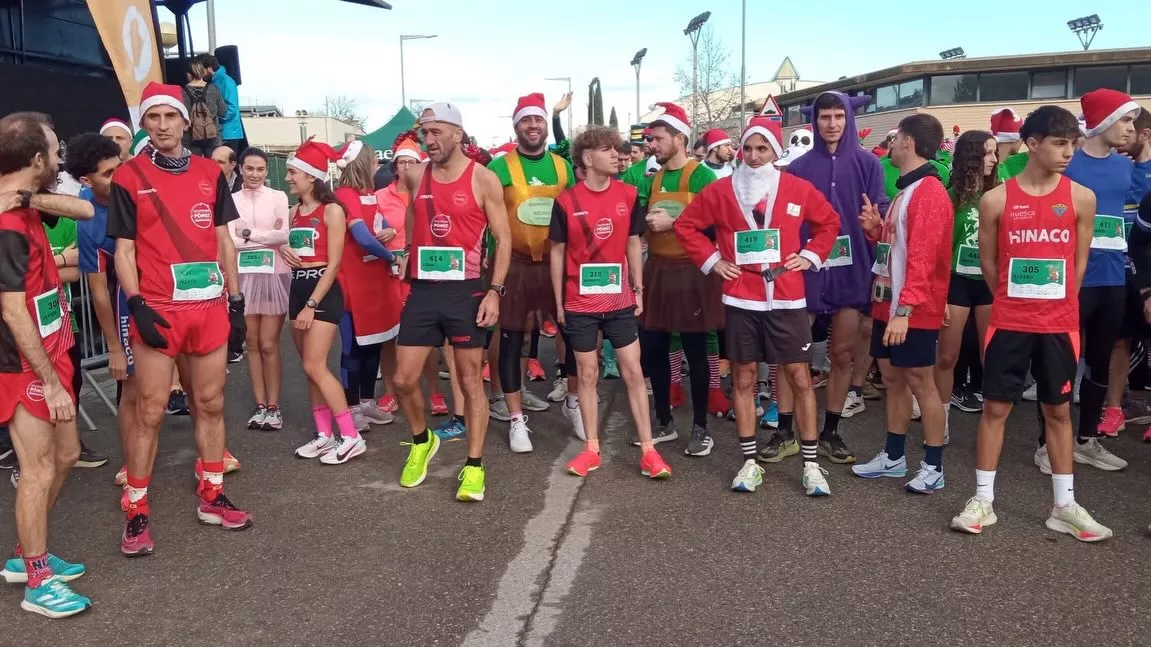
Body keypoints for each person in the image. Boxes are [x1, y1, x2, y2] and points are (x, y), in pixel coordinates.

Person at [950, 105, 1112, 541]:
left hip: (1059, 323)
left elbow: (1077, 267)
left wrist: (1053, 302)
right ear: (1032, 143)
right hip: (1009, 320)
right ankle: (983, 499)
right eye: (1060, 144)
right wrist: (1015, 298)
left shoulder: (1081, 198)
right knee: (996, 407)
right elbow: (988, 265)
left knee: (1058, 411)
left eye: (1073, 144)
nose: (1068, 153)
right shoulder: (996, 199)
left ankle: (1064, 505)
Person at [107, 82, 252, 556]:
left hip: (208, 308)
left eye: (171, 117)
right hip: (159, 309)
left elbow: (224, 241)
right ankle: (137, 507)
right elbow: (123, 252)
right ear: (144, 123)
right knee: (149, 410)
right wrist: (136, 303)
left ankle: (211, 493)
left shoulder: (212, 171)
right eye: (154, 118)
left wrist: (236, 301)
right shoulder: (129, 177)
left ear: (186, 121)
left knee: (209, 403)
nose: (163, 126)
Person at [675, 116, 840, 495]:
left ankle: (812, 465)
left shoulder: (797, 188)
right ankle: (749, 462)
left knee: (799, 376)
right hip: (741, 295)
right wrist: (714, 261)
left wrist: (811, 255)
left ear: (775, 151)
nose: (753, 156)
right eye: (747, 148)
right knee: (745, 377)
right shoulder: (721, 190)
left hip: (787, 295)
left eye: (761, 148)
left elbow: (828, 222)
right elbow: (687, 226)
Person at [0, 111, 94, 616]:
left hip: (51, 350)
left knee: (65, 457)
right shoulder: (5, 226)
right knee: (35, 469)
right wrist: (49, 383)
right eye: (55, 152)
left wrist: (27, 196)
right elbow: (13, 311)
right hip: (22, 365)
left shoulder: (25, 204)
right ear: (37, 159)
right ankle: (37, 580)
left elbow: (83, 209)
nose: (62, 159)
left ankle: (24, 557)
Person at [392, 102, 510, 502]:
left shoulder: (483, 179)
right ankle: (422, 439)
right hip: (425, 288)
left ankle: (474, 466)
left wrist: (495, 290)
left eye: (437, 132)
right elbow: (412, 215)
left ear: (458, 134)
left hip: (466, 290)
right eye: (425, 133)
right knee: (404, 379)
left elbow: (504, 238)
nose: (429, 140)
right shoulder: (414, 175)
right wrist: (409, 249)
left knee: (469, 382)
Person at [550, 125, 672, 479]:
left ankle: (649, 452)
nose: (618, 155)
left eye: (619, 150)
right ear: (588, 158)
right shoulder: (565, 202)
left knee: (633, 372)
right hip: (579, 303)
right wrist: (559, 302)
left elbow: (634, 242)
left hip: (619, 300)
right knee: (587, 374)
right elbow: (557, 253)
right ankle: (591, 449)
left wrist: (639, 289)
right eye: (609, 150)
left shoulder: (629, 194)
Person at [782, 91, 888, 465]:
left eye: (838, 117)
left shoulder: (868, 164)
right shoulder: (796, 168)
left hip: (851, 268)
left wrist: (877, 223)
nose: (831, 124)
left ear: (848, 120)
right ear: (815, 121)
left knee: (841, 354)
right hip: (806, 269)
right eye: (825, 117)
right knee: (791, 353)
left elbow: (881, 209)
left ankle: (831, 430)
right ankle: (784, 430)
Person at [1033, 89, 1135, 468]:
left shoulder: (1125, 166)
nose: (1130, 129)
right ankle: (1046, 443)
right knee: (1058, 360)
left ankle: (1087, 438)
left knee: (1100, 358)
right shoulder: (1068, 163)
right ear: (1106, 120)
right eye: (1124, 119)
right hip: (1070, 278)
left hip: (1112, 277)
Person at [852, 113, 951, 494]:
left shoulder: (928, 191)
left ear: (908, 142)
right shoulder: (907, 190)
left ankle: (933, 465)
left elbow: (925, 258)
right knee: (894, 379)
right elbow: (900, 249)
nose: (890, 145)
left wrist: (906, 311)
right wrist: (876, 229)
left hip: (910, 310)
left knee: (921, 383)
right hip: (888, 305)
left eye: (895, 139)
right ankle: (894, 458)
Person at [484, 93, 578, 452]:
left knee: (571, 335)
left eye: (538, 120)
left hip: (555, 264)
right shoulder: (499, 168)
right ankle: (516, 419)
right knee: (512, 339)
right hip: (515, 266)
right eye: (526, 120)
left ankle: (573, 404)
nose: (534, 126)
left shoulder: (562, 167)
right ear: (516, 126)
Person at [637, 102, 720, 455]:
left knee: (696, 350)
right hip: (658, 268)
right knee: (653, 347)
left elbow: (717, 224)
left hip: (692, 272)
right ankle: (664, 422)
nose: (651, 144)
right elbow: (638, 223)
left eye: (657, 138)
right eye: (651, 139)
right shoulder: (652, 178)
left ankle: (701, 426)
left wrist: (676, 223)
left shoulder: (702, 176)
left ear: (679, 138)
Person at [278, 139, 363, 464]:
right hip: (297, 288)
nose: (288, 178)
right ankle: (324, 434)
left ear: (311, 176)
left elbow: (335, 264)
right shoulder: (292, 212)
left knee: (315, 364)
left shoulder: (332, 210)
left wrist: (311, 305)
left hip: (322, 293)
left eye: (292, 172)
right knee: (310, 368)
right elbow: (297, 252)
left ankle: (350, 436)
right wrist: (284, 251)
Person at [373, 132, 454, 436]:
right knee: (390, 336)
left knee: (426, 338)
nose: (406, 168)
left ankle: (433, 390)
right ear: (394, 168)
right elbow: (370, 227)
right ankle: (393, 391)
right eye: (401, 163)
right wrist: (377, 235)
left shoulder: (427, 191)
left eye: (412, 162)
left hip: (422, 273)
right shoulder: (381, 196)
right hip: (387, 272)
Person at [934, 131, 999, 442]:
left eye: (995, 153)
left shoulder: (998, 194)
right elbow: (939, 248)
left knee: (991, 355)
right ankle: (940, 418)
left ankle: (992, 423)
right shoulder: (950, 197)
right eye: (988, 153)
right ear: (972, 156)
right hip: (956, 282)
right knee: (948, 356)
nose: (994, 159)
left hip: (988, 282)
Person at [332, 139, 397, 432]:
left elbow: (375, 230)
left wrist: (386, 233)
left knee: (374, 345)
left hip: (375, 280)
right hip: (352, 282)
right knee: (353, 348)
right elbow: (361, 236)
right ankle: (352, 406)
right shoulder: (345, 195)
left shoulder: (368, 194)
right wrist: (392, 255)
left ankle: (368, 401)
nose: (377, 166)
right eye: (373, 161)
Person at [230, 147, 290, 431]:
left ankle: (275, 405)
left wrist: (248, 235)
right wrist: (261, 238)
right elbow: (230, 240)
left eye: (260, 169)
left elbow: (283, 235)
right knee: (251, 343)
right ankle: (260, 405)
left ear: (267, 171)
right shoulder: (231, 200)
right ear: (240, 168)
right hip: (242, 276)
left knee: (269, 343)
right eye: (250, 168)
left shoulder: (278, 197)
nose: (255, 174)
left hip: (274, 275)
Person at [198, 54, 243, 152]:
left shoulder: (226, 81)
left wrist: (213, 119)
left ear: (209, 69)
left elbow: (231, 108)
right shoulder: (216, 81)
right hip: (221, 131)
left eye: (200, 69)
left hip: (228, 133)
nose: (199, 73)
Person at [182, 58, 225, 158]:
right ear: (202, 72)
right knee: (215, 167)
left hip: (190, 137)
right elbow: (223, 111)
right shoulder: (213, 89)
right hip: (212, 136)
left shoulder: (182, 92)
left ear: (188, 74)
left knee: (192, 168)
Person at [991, 108, 1026, 181]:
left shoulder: (999, 166)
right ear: (1014, 139)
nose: (1022, 142)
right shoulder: (993, 171)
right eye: (1022, 138)